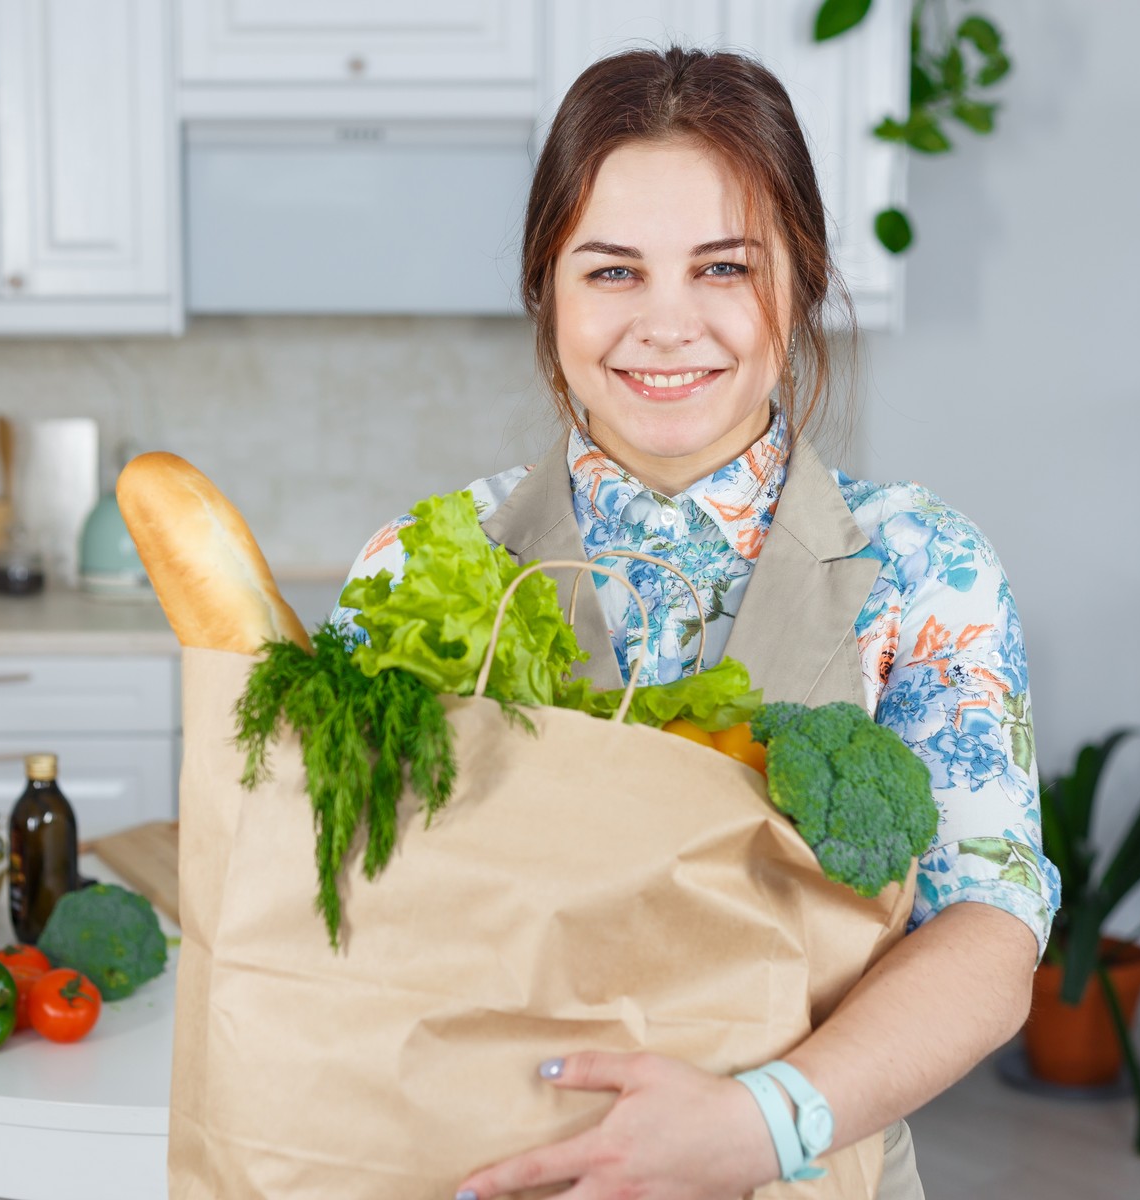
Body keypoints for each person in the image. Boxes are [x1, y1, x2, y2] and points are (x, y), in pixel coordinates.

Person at [331, 46, 1058, 1200]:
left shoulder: (926, 568)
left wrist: (759, 1125)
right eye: (612, 273)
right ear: (545, 289)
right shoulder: (421, 564)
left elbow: (988, 931)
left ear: (801, 283)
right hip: (482, 1169)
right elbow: (332, 909)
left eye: (725, 268)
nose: (667, 326)